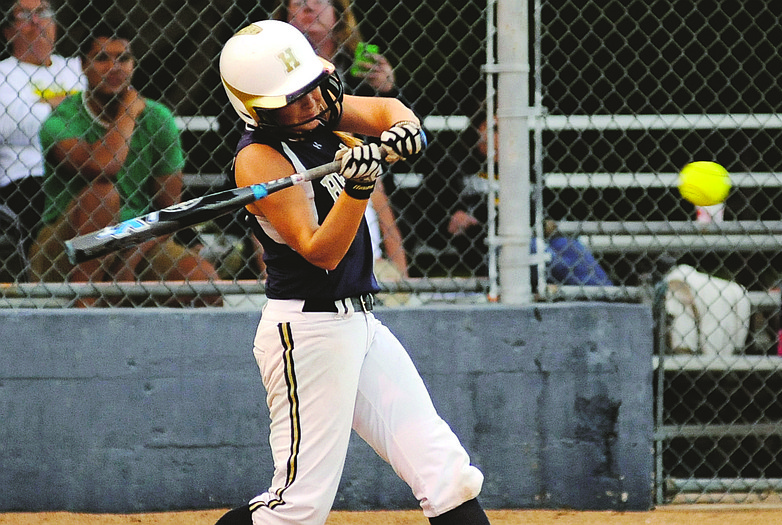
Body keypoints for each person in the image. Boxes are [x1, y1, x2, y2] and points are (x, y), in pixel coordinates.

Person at [214, 20, 491, 525]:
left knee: (444, 473)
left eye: (310, 91)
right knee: (296, 509)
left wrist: (403, 129)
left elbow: (387, 110)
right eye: (291, 101)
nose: (311, 106)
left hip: (359, 323)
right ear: (256, 108)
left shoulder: (315, 108)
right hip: (307, 332)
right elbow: (320, 251)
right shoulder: (259, 159)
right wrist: (358, 187)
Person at [27, 22, 218, 302]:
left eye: (123, 58)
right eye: (102, 58)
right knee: (103, 194)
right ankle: (86, 304)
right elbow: (104, 166)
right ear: (83, 65)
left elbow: (171, 210)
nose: (114, 67)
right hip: (66, 248)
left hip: (135, 239)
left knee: (205, 282)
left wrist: (132, 258)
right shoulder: (63, 118)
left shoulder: (157, 119)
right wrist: (128, 114)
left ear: (134, 64)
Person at [271, 0, 409, 281]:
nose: (308, 8)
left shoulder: (356, 64)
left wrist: (388, 88)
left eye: (318, 1)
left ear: (338, 13)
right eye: (298, 3)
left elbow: (404, 123)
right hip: (299, 159)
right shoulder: (273, 70)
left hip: (363, 159)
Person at [415, 110, 613, 286]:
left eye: (509, 129)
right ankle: (606, 304)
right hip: (487, 245)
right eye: (494, 129)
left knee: (571, 246)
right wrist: (449, 220)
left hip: (532, 237)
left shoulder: (525, 167)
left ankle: (609, 299)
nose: (502, 138)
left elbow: (549, 210)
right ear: (476, 132)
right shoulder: (453, 166)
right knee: (545, 254)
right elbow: (427, 213)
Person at [0, 0, 85, 266]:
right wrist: (74, 107)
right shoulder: (3, 74)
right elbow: (12, 127)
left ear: (56, 26)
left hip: (86, 167)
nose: (35, 21)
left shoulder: (76, 67)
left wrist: (42, 107)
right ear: (9, 31)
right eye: (24, 15)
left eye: (42, 13)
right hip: (27, 177)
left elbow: (106, 118)